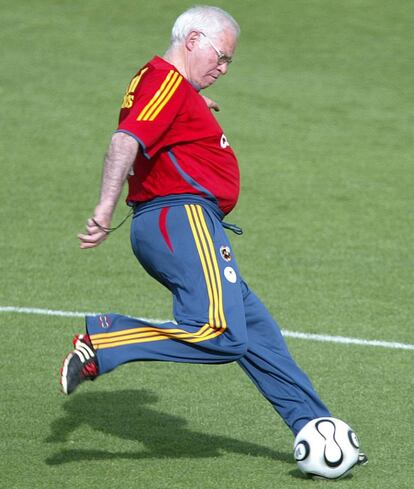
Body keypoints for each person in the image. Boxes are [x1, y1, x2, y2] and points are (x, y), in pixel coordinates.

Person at [60, 5, 367, 463]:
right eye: (220, 56)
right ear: (192, 40)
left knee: (257, 334)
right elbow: (125, 139)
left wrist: (191, 103)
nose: (223, 69)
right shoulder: (164, 80)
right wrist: (105, 205)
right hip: (181, 218)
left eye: (229, 63)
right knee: (219, 334)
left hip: (188, 223)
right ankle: (104, 343)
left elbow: (159, 118)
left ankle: (315, 427)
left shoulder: (171, 88)